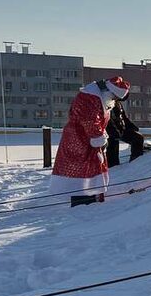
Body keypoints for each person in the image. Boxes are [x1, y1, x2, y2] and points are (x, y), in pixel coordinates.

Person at [50, 76, 130, 207]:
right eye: (115, 97)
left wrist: (102, 136)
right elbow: (90, 121)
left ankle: (91, 196)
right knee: (79, 172)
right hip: (78, 141)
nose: (114, 101)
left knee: (90, 169)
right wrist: (100, 137)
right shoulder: (89, 98)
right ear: (110, 92)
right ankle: (83, 201)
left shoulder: (100, 98)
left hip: (88, 140)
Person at [105, 90, 145, 167]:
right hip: (110, 133)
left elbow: (124, 117)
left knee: (138, 138)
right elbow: (108, 121)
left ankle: (135, 161)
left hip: (121, 129)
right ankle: (112, 168)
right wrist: (114, 132)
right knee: (112, 149)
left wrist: (131, 126)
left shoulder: (118, 104)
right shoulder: (106, 103)